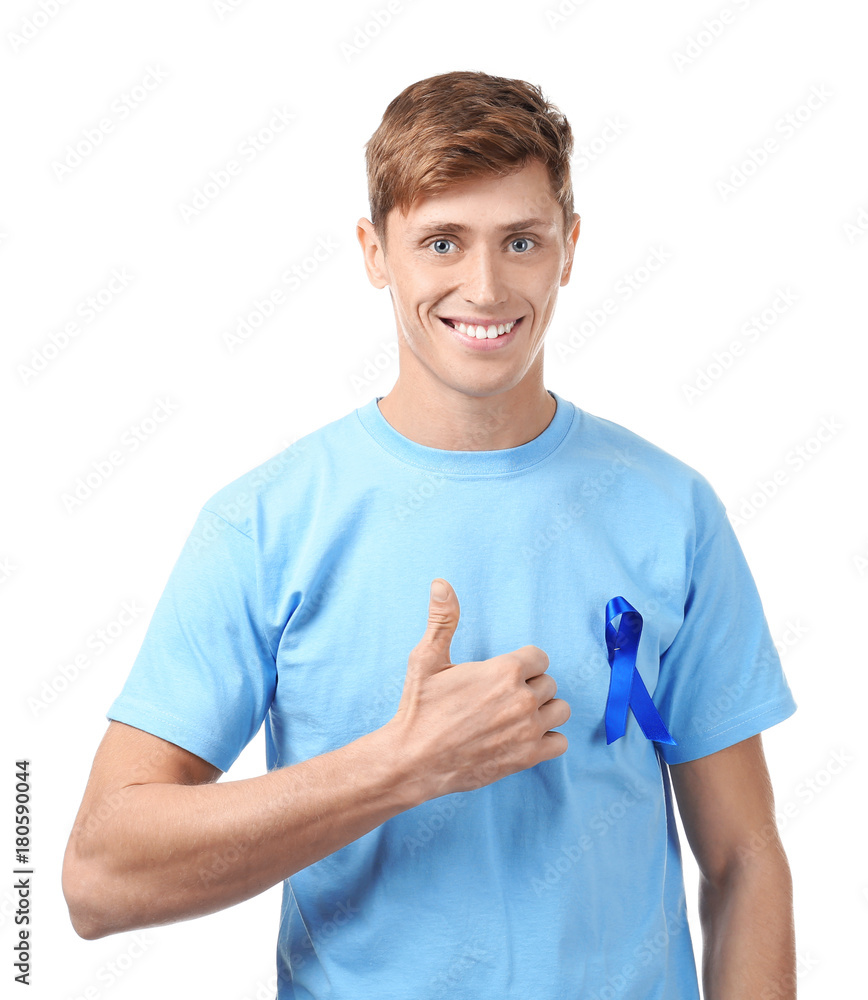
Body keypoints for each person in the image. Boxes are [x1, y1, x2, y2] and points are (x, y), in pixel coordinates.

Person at [62, 70, 797, 999]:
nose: (484, 288)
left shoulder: (672, 511)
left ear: (569, 249)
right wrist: (400, 765)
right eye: (441, 241)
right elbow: (97, 880)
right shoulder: (263, 525)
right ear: (376, 253)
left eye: (521, 241)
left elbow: (744, 858)